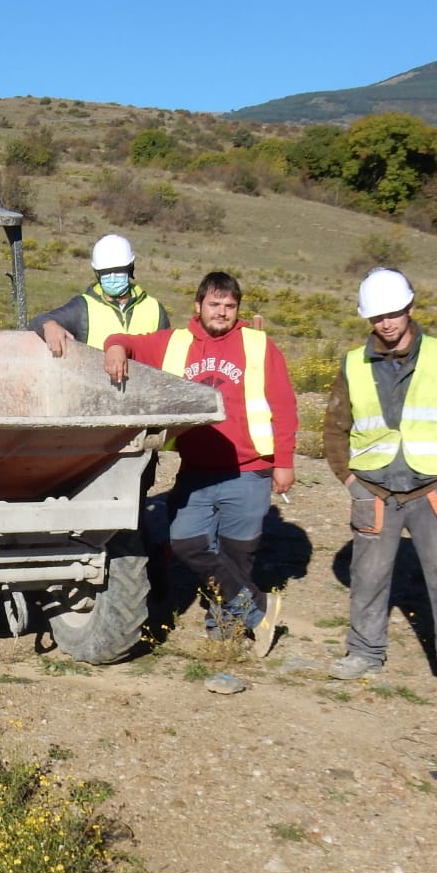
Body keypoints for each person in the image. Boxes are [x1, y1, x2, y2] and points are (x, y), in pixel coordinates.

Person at [103, 271, 298, 654]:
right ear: (198, 306)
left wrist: (284, 461)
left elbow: (285, 406)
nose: (222, 312)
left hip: (250, 467)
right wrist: (114, 348)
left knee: (236, 554)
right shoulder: (175, 342)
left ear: (237, 309)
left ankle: (223, 630)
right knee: (187, 543)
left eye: (230, 305)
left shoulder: (258, 345)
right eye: (215, 304)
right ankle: (259, 611)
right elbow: (126, 341)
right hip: (196, 470)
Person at [321, 269, 437, 708]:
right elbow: (335, 427)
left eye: (394, 313)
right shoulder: (354, 363)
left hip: (433, 487)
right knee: (369, 578)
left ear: (410, 309)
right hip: (374, 489)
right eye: (377, 316)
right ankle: (364, 652)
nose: (387, 323)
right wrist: (351, 480)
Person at [31, 233, 169, 355]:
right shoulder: (83, 307)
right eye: (106, 272)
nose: (113, 276)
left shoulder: (154, 309)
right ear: (97, 273)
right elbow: (37, 321)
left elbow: (165, 355)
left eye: (119, 270)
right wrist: (48, 324)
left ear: (130, 268)